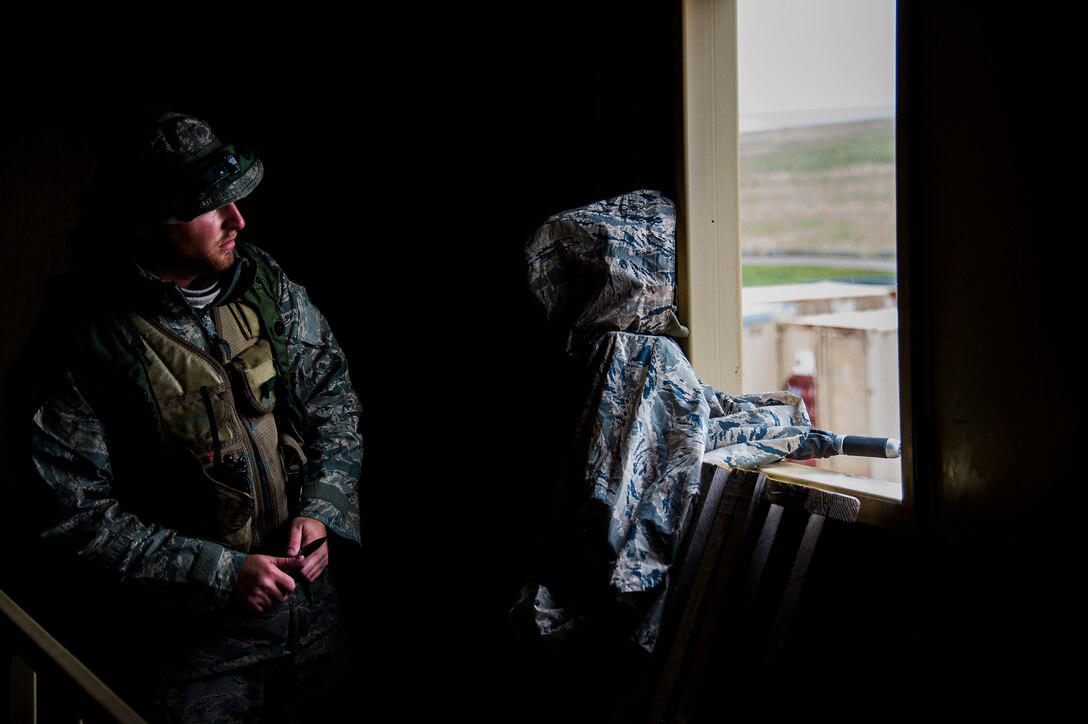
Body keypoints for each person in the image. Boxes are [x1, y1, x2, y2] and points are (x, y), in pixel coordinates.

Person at [4, 109, 363, 722]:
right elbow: (70, 516)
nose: (238, 221)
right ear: (146, 223)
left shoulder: (265, 288)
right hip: (191, 663)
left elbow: (333, 397)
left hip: (313, 630)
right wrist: (221, 573)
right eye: (208, 205)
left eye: (234, 199)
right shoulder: (87, 343)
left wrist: (322, 508)